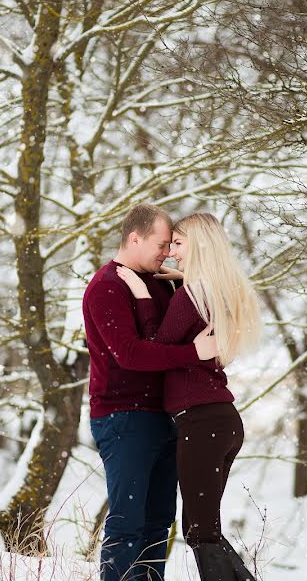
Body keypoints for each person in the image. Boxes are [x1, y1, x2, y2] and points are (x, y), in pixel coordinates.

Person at [116, 212, 262, 581]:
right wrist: (182, 283)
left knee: (199, 532)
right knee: (205, 529)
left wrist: (141, 294)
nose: (172, 254)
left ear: (198, 245)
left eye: (178, 244)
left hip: (201, 423)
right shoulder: (214, 290)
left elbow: (155, 348)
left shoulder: (191, 296)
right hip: (222, 421)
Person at [83, 204, 219, 581]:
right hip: (123, 415)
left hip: (167, 415)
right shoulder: (107, 286)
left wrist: (181, 277)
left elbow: (168, 332)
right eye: (161, 244)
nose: (167, 252)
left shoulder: (160, 281)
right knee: (128, 520)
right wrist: (195, 353)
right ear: (134, 238)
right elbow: (130, 354)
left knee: (160, 520)